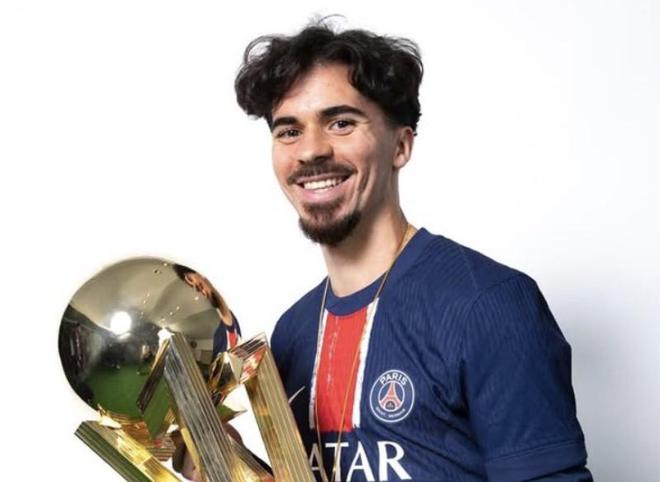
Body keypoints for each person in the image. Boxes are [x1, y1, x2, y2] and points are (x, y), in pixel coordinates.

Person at [181, 19, 592, 482]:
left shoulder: (487, 305)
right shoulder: (293, 333)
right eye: (289, 131)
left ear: (400, 145)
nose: (310, 150)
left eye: (341, 123)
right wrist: (227, 465)